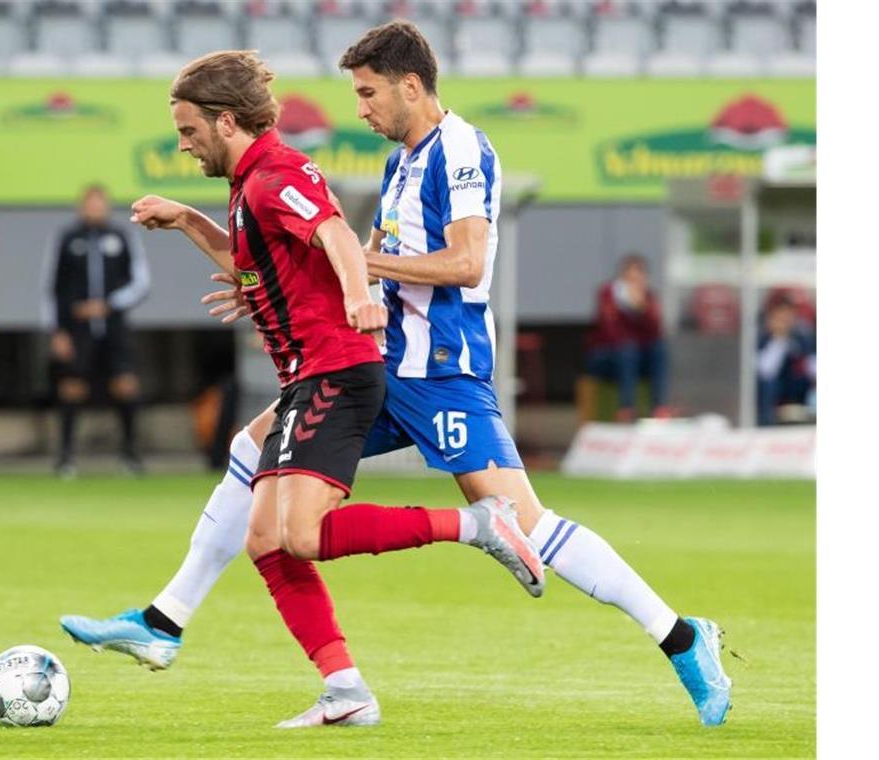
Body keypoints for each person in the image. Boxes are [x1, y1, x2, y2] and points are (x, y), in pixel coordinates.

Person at [61, 22, 731, 729]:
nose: (361, 108)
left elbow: (466, 263)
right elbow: (358, 253)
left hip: (440, 368)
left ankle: (684, 637)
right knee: (253, 459)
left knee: (528, 524)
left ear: (411, 86)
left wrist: (358, 264)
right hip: (377, 361)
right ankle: (174, 621)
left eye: (369, 92)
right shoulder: (400, 164)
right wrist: (274, 282)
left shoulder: (462, 149)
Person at [62, 47, 544, 729]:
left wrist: (360, 297)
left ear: (226, 122)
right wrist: (187, 220)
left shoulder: (274, 176)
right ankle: (341, 687)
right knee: (265, 537)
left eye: (189, 131)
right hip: (307, 378)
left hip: (335, 372)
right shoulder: (246, 187)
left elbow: (338, 236)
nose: (183, 145)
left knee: (303, 534)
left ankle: (476, 524)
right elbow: (252, 260)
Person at [49, 184, 150, 477]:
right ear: (82, 206)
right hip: (76, 329)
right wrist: (57, 330)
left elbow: (141, 283)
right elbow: (52, 287)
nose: (95, 208)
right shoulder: (68, 239)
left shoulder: (121, 237)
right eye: (89, 203)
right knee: (71, 388)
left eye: (99, 203)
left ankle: (131, 456)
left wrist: (109, 304)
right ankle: (66, 458)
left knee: (126, 385)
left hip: (114, 327)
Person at [584, 253, 673, 421]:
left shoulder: (648, 298)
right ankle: (626, 408)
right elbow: (609, 331)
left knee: (659, 349)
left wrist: (643, 310)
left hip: (637, 359)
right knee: (628, 351)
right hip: (608, 357)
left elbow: (655, 333)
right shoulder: (608, 295)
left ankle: (660, 407)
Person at [757, 294, 816, 425]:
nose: (784, 322)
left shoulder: (802, 337)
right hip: (773, 390)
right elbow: (765, 371)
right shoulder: (761, 339)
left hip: (798, 387)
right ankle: (766, 425)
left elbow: (812, 365)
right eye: (780, 318)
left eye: (788, 318)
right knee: (768, 385)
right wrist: (779, 339)